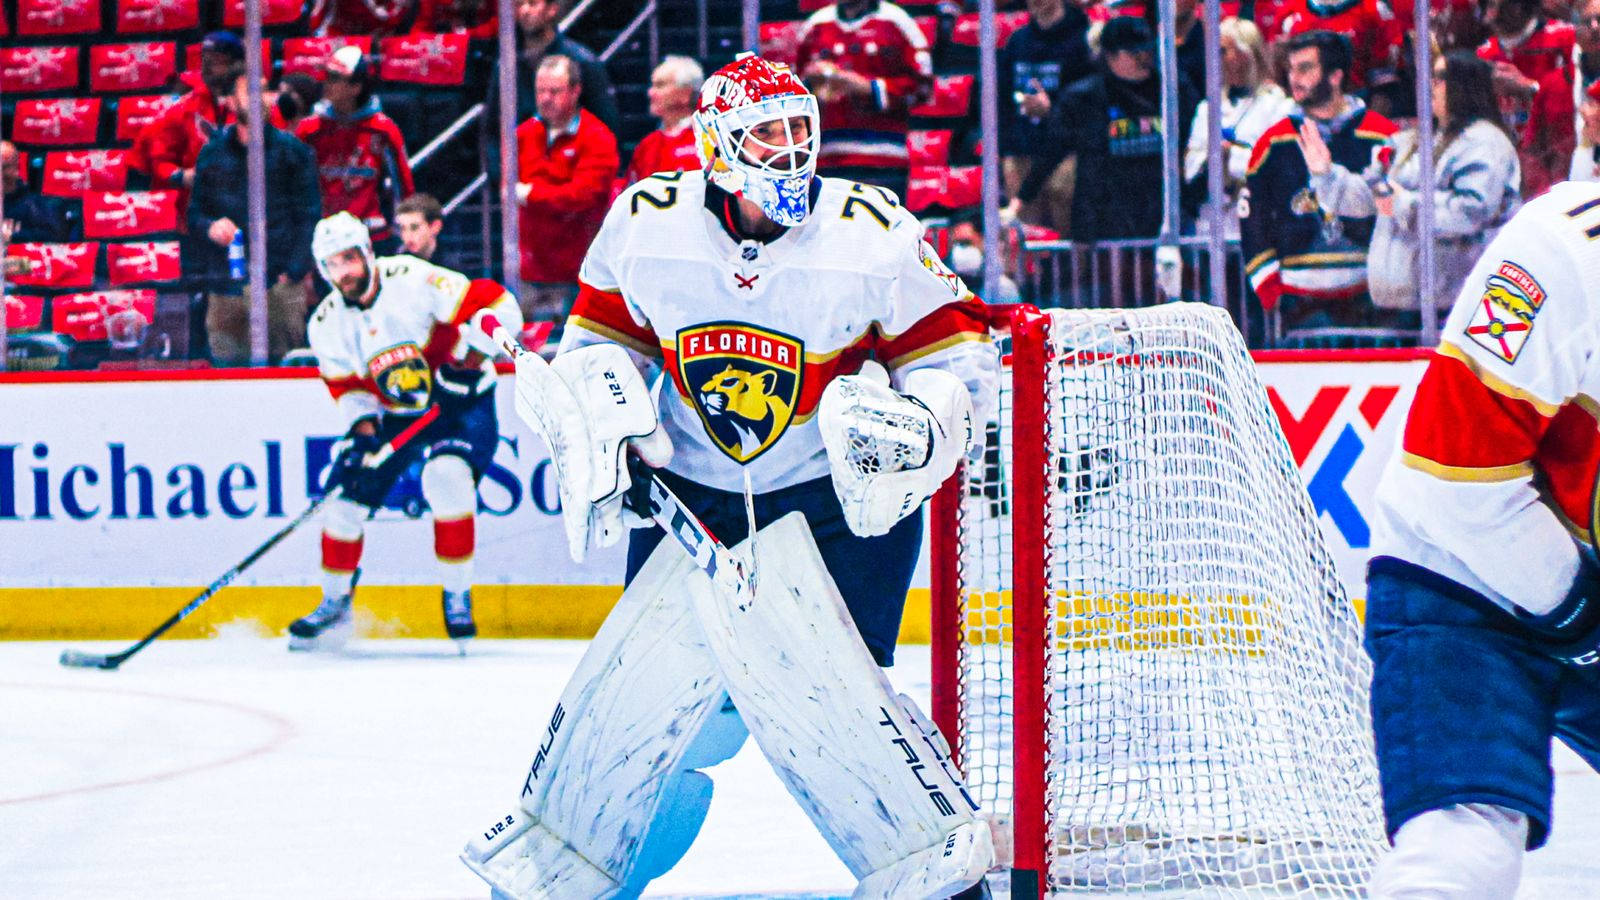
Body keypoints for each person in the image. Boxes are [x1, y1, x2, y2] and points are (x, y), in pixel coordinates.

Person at [467, 52, 999, 900]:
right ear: (716, 146)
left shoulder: (872, 231)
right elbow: (598, 345)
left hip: (836, 496)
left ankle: (928, 864)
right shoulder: (646, 223)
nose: (790, 153)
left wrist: (926, 423)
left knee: (837, 701)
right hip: (692, 490)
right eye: (766, 135)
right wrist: (607, 422)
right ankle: (585, 859)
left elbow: (960, 353)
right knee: (665, 700)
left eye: (800, 132)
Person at [1362, 179, 1600, 898]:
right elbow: (1455, 475)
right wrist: (1580, 612)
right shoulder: (1563, 249)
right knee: (1464, 845)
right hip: (1459, 574)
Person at [292, 211, 524, 651]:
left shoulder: (412, 279)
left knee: (447, 478)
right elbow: (348, 389)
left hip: (461, 403)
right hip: (397, 415)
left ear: (367, 252)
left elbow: (499, 306)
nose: (343, 272)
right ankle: (334, 601)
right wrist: (361, 435)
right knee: (342, 502)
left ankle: (457, 594)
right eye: (332, 264)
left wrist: (470, 361)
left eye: (349, 258)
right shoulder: (325, 324)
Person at [1241, 30, 1398, 330]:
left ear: (1335, 76)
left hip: (1370, 295)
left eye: (1305, 68)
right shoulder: (1273, 142)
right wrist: (1269, 285)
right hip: (1298, 296)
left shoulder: (1383, 136)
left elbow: (1396, 211)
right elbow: (1252, 215)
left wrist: (1390, 275)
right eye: (1291, 69)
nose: (1294, 78)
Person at [1013, 16, 1199, 244]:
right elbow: (1052, 152)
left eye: (1147, 50)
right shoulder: (1082, 98)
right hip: (1103, 224)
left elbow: (1195, 141)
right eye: (1134, 53)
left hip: (1160, 219)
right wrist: (1020, 200)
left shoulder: (1175, 89)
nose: (1145, 58)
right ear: (1110, 55)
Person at [1366, 51, 1521, 322]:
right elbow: (1373, 192)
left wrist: (1404, 204)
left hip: (1453, 306)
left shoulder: (1485, 142)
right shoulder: (1414, 139)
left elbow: (1470, 213)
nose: (1429, 85)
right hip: (1401, 301)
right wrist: (1329, 177)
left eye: (1439, 78)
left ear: (1466, 84)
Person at [187, 73, 322, 365]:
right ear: (232, 102)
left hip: (279, 286)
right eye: (250, 91)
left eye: (264, 90)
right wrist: (210, 227)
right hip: (227, 289)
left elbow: (310, 217)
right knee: (227, 382)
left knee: (285, 374)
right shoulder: (212, 154)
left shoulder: (294, 152)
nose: (260, 98)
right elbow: (194, 215)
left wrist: (294, 273)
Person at [514, 55, 618, 332]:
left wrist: (532, 195)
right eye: (540, 91)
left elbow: (583, 196)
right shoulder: (524, 134)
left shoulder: (597, 137)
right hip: (529, 270)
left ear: (575, 91)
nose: (546, 99)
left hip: (576, 272)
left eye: (554, 91)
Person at [794, 0, 933, 199]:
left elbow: (922, 87)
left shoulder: (897, 22)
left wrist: (867, 88)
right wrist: (811, 83)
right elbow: (793, 91)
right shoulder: (816, 25)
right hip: (828, 160)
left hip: (885, 160)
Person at [295, 46, 416, 255]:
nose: (326, 84)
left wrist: (406, 231)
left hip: (371, 238)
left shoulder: (383, 129)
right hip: (325, 236)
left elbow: (403, 188)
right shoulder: (309, 130)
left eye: (334, 78)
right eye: (326, 76)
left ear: (356, 87)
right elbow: (295, 185)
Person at [1182, 17, 1294, 239]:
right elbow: (1190, 168)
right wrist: (1215, 161)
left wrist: (1229, 158)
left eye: (1223, 51)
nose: (1216, 59)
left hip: (1261, 225)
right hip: (1211, 228)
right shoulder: (1207, 109)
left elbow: (1277, 164)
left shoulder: (1279, 106)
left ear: (1246, 54)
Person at [996, 0, 1094, 231]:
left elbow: (1092, 101)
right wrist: (1007, 150)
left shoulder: (1082, 39)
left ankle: (1074, 268)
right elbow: (1002, 100)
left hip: (1067, 151)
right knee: (1024, 232)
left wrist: (1054, 110)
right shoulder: (1018, 41)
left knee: (1065, 227)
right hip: (1023, 149)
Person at [129, 30, 245, 212]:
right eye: (205, 60)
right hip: (196, 212)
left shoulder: (258, 109)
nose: (207, 67)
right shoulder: (183, 109)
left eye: (216, 61)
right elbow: (159, 162)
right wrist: (183, 176)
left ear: (237, 65)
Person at [1478, 0, 1576, 199]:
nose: (1493, 12)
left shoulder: (1564, 39)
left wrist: (1531, 88)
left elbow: (1580, 98)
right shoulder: (1484, 54)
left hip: (1559, 156)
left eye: (1500, 5)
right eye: (1489, 5)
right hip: (1511, 163)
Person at [486, 0, 618, 135]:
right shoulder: (506, 65)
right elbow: (492, 128)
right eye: (519, 4)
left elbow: (605, 123)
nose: (524, 10)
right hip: (521, 151)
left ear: (552, 9)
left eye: (532, 3)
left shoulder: (582, 62)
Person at [623, 56, 705, 184]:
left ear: (685, 94)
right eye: (652, 85)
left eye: (660, 85)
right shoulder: (647, 145)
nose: (650, 93)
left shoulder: (708, 139)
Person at [1, 140, 80, 243]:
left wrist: (13, 236)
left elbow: (55, 236)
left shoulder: (33, 206)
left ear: (16, 169)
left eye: (4, 167)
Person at [396, 192, 444, 261]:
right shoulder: (396, 264)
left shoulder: (454, 266)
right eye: (403, 228)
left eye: (414, 228)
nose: (407, 236)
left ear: (435, 227)